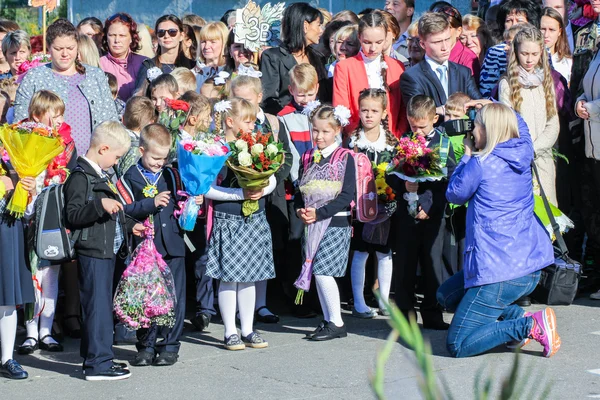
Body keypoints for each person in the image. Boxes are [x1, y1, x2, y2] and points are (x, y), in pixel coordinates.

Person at [438, 103, 559, 358]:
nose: (473, 130)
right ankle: (522, 317)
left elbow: (454, 193)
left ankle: (528, 326)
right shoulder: (523, 151)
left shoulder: (481, 163)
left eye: (477, 125)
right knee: (447, 295)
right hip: (526, 265)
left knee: (458, 344)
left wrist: (467, 154)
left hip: (498, 271)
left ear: (489, 129)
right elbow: (522, 127)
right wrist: (495, 106)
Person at [63, 120, 139, 381]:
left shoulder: (100, 175)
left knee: (102, 306)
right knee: (96, 308)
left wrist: (132, 226)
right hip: (92, 251)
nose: (117, 162)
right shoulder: (80, 176)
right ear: (103, 148)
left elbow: (114, 214)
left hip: (105, 250)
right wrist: (99, 204)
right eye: (116, 156)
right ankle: (98, 364)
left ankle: (100, 357)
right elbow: (72, 215)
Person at [205, 98, 277, 350]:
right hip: (229, 218)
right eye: (247, 120)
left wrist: (262, 189)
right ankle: (229, 331)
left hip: (254, 217)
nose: (252, 124)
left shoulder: (257, 144)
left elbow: (273, 178)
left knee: (250, 276)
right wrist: (239, 195)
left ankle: (247, 328)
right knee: (229, 278)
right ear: (230, 121)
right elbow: (205, 188)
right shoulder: (216, 149)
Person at [118, 124, 187, 367]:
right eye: (155, 157)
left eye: (164, 157)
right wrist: (150, 203)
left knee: (174, 297)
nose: (160, 162)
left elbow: (182, 202)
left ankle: (169, 345)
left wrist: (193, 202)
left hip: (173, 246)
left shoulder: (172, 174)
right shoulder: (130, 177)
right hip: (146, 248)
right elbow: (125, 210)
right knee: (147, 298)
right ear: (141, 150)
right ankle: (145, 346)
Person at [386, 95, 456, 330]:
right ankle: (406, 317)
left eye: (423, 126)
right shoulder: (404, 141)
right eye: (413, 126)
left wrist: (431, 207)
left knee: (431, 266)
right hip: (406, 216)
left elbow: (449, 182)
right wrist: (403, 185)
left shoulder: (444, 145)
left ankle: (432, 314)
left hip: (432, 217)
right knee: (404, 266)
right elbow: (390, 172)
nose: (417, 132)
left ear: (435, 119)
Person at [231, 70, 294, 324]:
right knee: (240, 249)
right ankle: (236, 304)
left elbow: (286, 156)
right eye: (237, 99)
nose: (242, 105)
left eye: (247, 99)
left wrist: (269, 180)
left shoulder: (274, 123)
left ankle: (261, 304)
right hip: (240, 194)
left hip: (269, 195)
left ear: (259, 97)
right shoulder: (231, 122)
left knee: (263, 250)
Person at [17, 90, 76, 356]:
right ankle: (30, 332)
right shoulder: (22, 141)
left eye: (60, 115)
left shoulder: (66, 143)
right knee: (31, 274)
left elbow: (68, 176)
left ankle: (47, 330)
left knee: (51, 273)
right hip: (28, 216)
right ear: (35, 115)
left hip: (53, 216)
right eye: (52, 115)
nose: (56, 120)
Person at [295, 104, 355, 340]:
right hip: (313, 221)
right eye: (315, 131)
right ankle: (329, 319)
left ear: (337, 130)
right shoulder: (308, 156)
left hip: (335, 221)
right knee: (316, 269)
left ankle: (337, 322)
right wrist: (302, 209)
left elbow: (346, 195)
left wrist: (320, 213)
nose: (319, 136)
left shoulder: (345, 157)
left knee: (323, 271)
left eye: (325, 132)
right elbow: (302, 189)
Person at [14, 19, 118, 155]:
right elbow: (21, 126)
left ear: (78, 46)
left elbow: (111, 121)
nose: (65, 54)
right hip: (49, 162)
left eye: (70, 48)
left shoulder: (95, 75)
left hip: (93, 162)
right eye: (58, 49)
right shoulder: (34, 77)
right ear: (49, 47)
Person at [348, 89, 397, 318]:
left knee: (384, 251)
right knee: (360, 250)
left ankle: (384, 300)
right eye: (364, 110)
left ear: (384, 113)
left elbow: (397, 173)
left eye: (374, 111)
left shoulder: (391, 143)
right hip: (360, 205)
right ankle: (359, 301)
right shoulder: (352, 142)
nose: (369, 115)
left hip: (384, 205)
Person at [276, 63, 320, 317]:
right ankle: (296, 297)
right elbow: (289, 151)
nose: (305, 99)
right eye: (299, 94)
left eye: (309, 93)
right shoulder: (285, 116)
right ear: (291, 90)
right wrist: (302, 180)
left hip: (322, 190)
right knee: (297, 242)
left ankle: (315, 294)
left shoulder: (324, 112)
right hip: (298, 189)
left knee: (314, 243)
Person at [498, 25, 559, 206]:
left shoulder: (546, 82)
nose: (529, 59)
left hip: (543, 159)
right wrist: (524, 151)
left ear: (541, 52)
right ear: (516, 52)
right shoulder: (507, 83)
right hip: (518, 162)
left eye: (534, 54)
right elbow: (508, 126)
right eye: (525, 53)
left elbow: (553, 124)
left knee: (547, 216)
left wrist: (535, 149)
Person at [333, 10, 408, 136]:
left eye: (379, 42)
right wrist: (356, 137)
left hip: (391, 139)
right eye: (367, 42)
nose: (373, 48)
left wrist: (397, 135)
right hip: (356, 139)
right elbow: (341, 109)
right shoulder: (344, 67)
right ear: (359, 38)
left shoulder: (397, 66)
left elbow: (402, 108)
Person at [400, 13, 482, 122]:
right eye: (437, 42)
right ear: (423, 44)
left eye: (447, 39)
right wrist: (439, 110)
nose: (445, 47)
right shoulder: (411, 77)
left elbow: (480, 103)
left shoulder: (463, 72)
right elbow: (417, 114)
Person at [0, 147, 36, 380]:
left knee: (7, 299)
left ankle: (6, 358)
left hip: (8, 232)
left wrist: (30, 191)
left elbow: (29, 212)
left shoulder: (12, 165)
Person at [261, 2, 328, 115]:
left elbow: (323, 95)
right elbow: (269, 99)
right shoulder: (273, 56)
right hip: (285, 122)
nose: (321, 30)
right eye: (318, 25)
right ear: (305, 26)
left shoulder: (318, 57)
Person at [575, 29, 600, 298]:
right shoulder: (597, 52)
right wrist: (580, 101)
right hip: (593, 148)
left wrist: (590, 109)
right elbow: (586, 86)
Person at [479, 0, 542, 97]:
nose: (514, 24)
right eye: (509, 20)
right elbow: (486, 90)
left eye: (519, 20)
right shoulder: (495, 52)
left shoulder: (541, 49)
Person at [134, 15, 194, 94]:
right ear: (157, 36)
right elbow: (140, 99)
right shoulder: (149, 66)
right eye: (161, 32)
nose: (166, 36)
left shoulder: (193, 66)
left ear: (181, 36)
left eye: (172, 32)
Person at [99, 13, 148, 102]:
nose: (117, 40)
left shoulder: (144, 63)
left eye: (122, 36)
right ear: (106, 37)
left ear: (131, 38)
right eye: (112, 35)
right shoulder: (98, 64)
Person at [431, 5, 481, 80]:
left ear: (458, 31)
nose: (442, 32)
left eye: (448, 28)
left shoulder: (468, 58)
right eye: (438, 27)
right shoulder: (429, 52)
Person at [118, 96, 156, 178]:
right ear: (150, 123)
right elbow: (127, 176)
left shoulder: (116, 137)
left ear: (123, 119)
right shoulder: (136, 148)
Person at [541, 7, 572, 84]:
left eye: (552, 30)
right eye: (543, 29)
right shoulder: (529, 60)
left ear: (559, 32)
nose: (546, 35)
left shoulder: (568, 63)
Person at [194, 22, 228, 91]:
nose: (206, 47)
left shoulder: (229, 73)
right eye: (203, 42)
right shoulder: (194, 74)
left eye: (213, 42)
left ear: (224, 44)